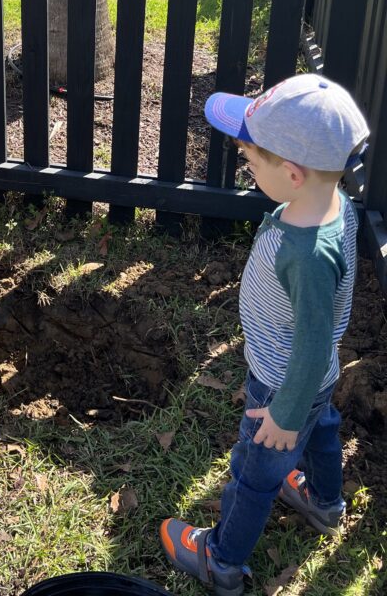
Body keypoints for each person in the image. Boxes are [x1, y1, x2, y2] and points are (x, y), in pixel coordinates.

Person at [160, 74, 368, 596]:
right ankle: (324, 503)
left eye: (251, 159)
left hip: (282, 384)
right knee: (322, 431)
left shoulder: (305, 252)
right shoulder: (333, 204)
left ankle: (222, 560)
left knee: (254, 471)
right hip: (313, 380)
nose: (243, 160)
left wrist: (283, 414)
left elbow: (314, 340)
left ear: (293, 174)